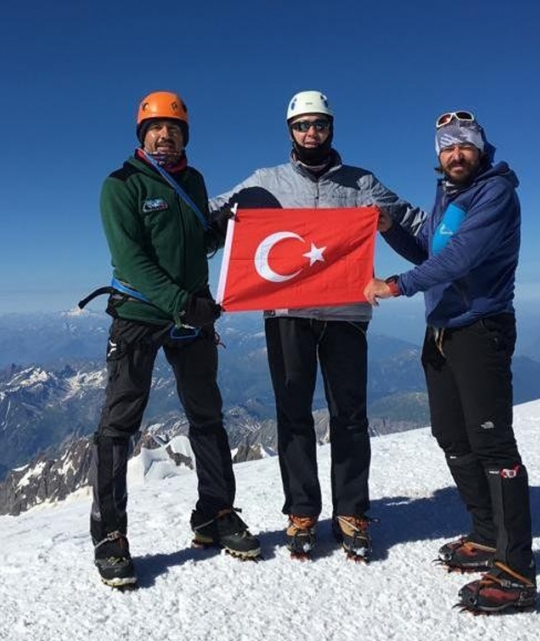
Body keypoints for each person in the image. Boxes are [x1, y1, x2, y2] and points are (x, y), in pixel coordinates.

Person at [210, 90, 425, 561]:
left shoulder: (361, 182)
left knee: (350, 414)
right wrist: (222, 217)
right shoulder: (265, 182)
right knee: (293, 414)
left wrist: (432, 246)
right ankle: (302, 511)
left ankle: (351, 510)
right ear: (290, 131)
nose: (312, 133)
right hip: (287, 314)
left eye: (320, 125)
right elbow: (213, 214)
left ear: (331, 128)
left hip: (346, 313)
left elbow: (413, 224)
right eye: (303, 125)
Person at [364, 110, 537, 613]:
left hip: (480, 330)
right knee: (452, 435)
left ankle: (516, 570)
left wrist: (393, 285)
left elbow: (461, 258)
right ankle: (486, 534)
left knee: (493, 446)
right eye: (446, 147)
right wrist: (391, 227)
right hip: (442, 331)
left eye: (464, 144)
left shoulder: (495, 192)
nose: (455, 154)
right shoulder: (450, 194)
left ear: (481, 148)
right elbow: (429, 251)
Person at [87, 91, 261, 588]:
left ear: (185, 136)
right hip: (141, 315)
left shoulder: (195, 181)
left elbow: (193, 243)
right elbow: (132, 260)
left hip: (191, 317)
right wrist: (184, 303)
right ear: (142, 136)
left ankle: (215, 512)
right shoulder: (120, 185)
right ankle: (110, 535)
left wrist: (224, 231)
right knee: (118, 425)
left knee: (207, 414)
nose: (166, 135)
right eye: (156, 129)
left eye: (175, 129)